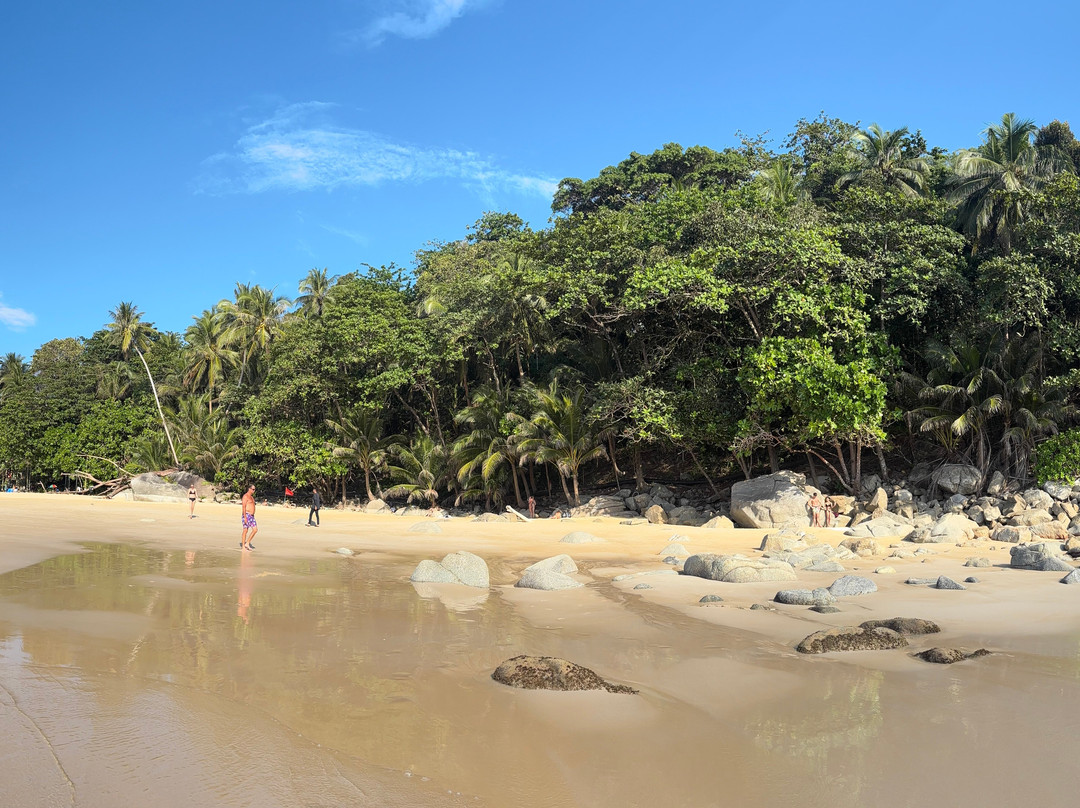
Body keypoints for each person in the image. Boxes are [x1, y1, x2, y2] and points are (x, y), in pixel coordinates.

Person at [241, 484, 258, 550]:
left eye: (254, 489)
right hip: (247, 515)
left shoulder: (251, 497)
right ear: (249, 489)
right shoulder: (245, 496)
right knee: (245, 530)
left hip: (252, 516)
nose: (254, 491)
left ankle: (247, 543)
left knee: (255, 530)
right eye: (253, 489)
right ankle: (243, 546)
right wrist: (245, 517)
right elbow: (244, 506)